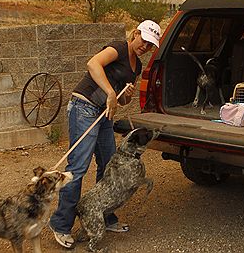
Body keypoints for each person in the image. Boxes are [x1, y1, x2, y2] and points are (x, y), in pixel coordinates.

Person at [49, 20, 161, 249]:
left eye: (150, 45)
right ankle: (61, 224)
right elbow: (93, 64)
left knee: (109, 165)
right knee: (78, 168)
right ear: (136, 34)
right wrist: (111, 92)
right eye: (144, 41)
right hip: (84, 106)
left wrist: (125, 94)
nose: (145, 47)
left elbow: (121, 100)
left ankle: (104, 216)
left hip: (104, 112)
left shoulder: (136, 67)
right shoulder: (118, 48)